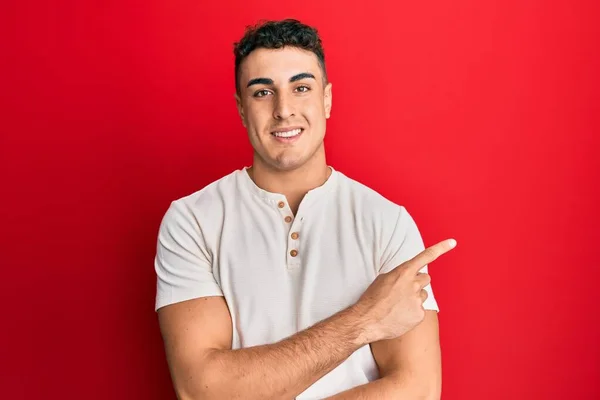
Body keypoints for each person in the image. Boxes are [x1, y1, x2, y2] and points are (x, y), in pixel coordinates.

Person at [154, 19, 456, 400]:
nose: (284, 110)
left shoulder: (387, 222)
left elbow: (418, 389)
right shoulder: (191, 221)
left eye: (301, 88)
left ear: (326, 99)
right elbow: (202, 390)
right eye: (262, 92)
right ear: (241, 108)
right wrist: (365, 319)